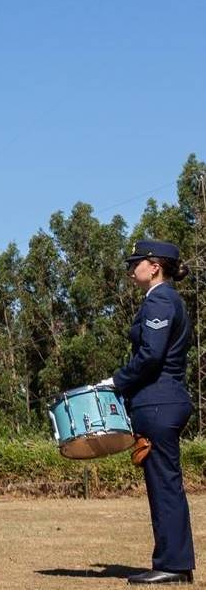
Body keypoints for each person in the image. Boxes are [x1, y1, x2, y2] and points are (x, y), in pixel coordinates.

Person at [107, 240, 195, 585]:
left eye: (136, 263)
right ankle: (171, 561)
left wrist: (116, 381)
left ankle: (172, 565)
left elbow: (151, 357)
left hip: (159, 402)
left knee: (165, 486)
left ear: (154, 266)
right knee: (164, 486)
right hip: (161, 402)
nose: (131, 270)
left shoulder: (160, 299)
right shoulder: (164, 300)